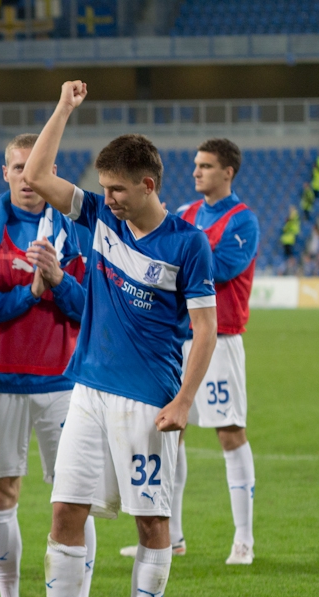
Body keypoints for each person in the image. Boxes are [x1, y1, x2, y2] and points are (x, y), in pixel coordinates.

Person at [4, 81, 217, 597]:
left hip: (148, 400)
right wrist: (65, 108)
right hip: (89, 392)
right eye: (104, 188)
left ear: (148, 184)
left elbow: (205, 331)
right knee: (64, 512)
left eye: (117, 189)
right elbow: (40, 174)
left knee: (153, 523)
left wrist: (183, 400)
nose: (108, 198)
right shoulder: (99, 217)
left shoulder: (187, 244)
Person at [0, 133, 100, 597]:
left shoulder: (77, 234)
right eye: (17, 168)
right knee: (2, 494)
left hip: (63, 382)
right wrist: (30, 292)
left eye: (33, 169)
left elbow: (91, 309)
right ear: (5, 172)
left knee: (73, 501)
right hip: (0, 381)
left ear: (51, 171)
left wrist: (58, 281)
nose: (25, 178)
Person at [121, 138, 260, 566]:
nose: (197, 171)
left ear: (227, 172)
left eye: (206, 165)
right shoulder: (185, 214)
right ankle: (173, 536)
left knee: (230, 434)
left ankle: (244, 540)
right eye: (196, 165)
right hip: (176, 341)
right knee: (169, 432)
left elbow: (217, 269)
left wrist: (179, 259)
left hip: (220, 339)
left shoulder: (243, 221)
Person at [280, 206, 300, 274]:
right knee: (288, 255)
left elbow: (293, 216)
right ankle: (289, 267)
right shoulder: (288, 223)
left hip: (289, 240)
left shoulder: (292, 219)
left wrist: (292, 211)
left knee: (290, 255)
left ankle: (293, 267)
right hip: (286, 241)